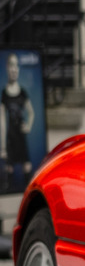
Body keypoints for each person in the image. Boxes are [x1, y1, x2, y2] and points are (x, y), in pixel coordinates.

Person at [2, 53, 36, 192]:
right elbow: (2, 121)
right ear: (7, 68)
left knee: (27, 168)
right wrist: (3, 147)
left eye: (16, 65)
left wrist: (28, 126)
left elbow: (31, 112)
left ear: (18, 69)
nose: (14, 69)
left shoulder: (22, 92)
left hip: (21, 137)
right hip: (10, 137)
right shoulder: (4, 93)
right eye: (11, 65)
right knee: (9, 170)